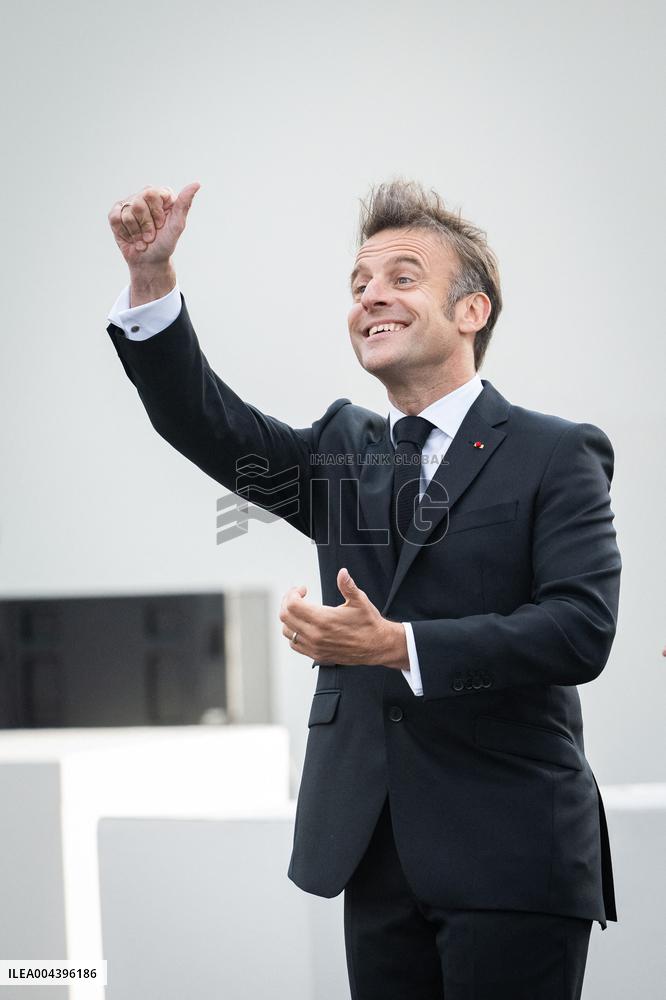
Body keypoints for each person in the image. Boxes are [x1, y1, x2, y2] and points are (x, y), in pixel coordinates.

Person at [106, 179, 621, 999]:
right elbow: (206, 422)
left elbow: (578, 629)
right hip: (374, 855)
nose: (371, 295)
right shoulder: (343, 452)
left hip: (513, 852)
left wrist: (399, 646)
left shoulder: (556, 455)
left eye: (402, 277)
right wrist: (153, 284)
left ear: (471, 312)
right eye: (358, 285)